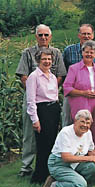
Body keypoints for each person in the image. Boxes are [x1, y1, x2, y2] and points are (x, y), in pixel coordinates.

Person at [15, 24, 66, 177]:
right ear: (36, 37)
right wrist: (36, 90)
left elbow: (60, 75)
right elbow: (23, 75)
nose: (43, 38)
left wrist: (48, 89)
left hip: (49, 99)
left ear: (50, 36)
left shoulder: (56, 53)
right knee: (30, 133)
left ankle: (48, 166)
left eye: (46, 35)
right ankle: (26, 167)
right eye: (40, 35)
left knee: (50, 135)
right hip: (32, 97)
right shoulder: (27, 53)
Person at [42, 110, 95, 187]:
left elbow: (91, 152)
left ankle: (73, 180)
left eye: (88, 123)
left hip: (75, 163)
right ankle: (53, 184)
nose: (85, 125)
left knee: (94, 165)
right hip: (58, 164)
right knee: (81, 185)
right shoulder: (66, 132)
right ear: (75, 121)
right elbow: (66, 158)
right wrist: (88, 158)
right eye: (82, 122)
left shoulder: (88, 133)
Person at [63, 40, 95, 150]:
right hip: (80, 101)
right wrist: (83, 92)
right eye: (87, 52)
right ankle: (78, 154)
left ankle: (94, 155)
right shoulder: (73, 68)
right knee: (81, 128)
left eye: (92, 52)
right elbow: (67, 87)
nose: (89, 54)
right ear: (82, 52)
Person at [26, 48, 61, 183]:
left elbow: (55, 95)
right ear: (38, 61)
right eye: (44, 59)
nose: (47, 62)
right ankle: (39, 177)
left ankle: (50, 173)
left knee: (52, 143)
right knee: (43, 144)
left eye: (49, 59)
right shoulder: (33, 77)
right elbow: (31, 100)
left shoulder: (52, 76)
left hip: (53, 110)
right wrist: (35, 120)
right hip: (42, 111)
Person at [62, 24, 95, 127]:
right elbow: (62, 70)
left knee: (87, 121)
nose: (86, 36)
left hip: (90, 95)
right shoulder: (68, 50)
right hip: (72, 92)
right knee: (69, 120)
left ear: (93, 35)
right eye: (84, 34)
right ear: (79, 35)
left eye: (89, 34)